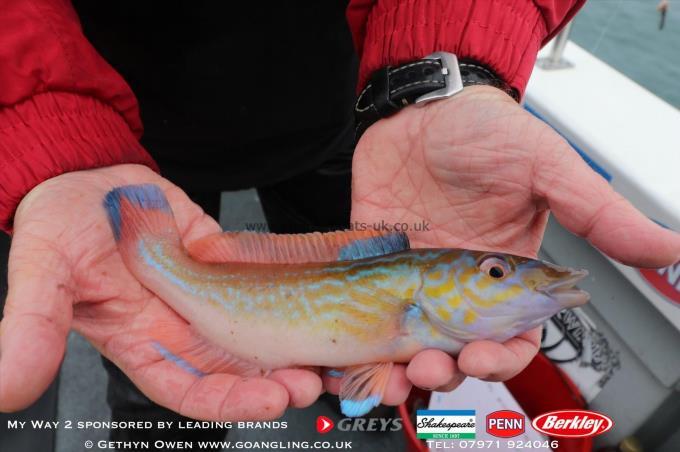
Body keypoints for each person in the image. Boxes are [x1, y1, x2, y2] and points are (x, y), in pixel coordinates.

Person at [1, 0, 679, 446]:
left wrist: (441, 60)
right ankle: (159, 426)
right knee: (165, 386)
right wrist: (42, 127)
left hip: (349, 115)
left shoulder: (417, 293)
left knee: (359, 363)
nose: (502, 273)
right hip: (135, 128)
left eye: (494, 269)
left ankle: (377, 415)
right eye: (494, 271)